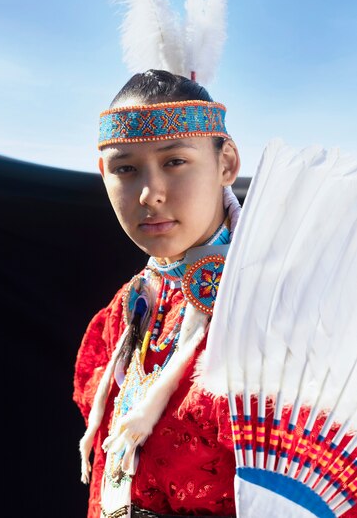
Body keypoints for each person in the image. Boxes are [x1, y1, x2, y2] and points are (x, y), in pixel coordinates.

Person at [73, 68, 242, 518]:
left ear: (226, 163)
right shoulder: (123, 314)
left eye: (175, 161)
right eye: (125, 169)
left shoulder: (273, 307)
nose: (149, 194)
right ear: (102, 173)